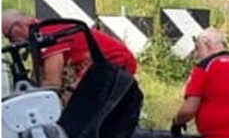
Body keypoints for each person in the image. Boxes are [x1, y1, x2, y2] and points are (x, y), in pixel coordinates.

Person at [1, 10, 138, 94]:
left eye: (9, 35)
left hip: (114, 60)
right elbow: (38, 76)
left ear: (19, 25)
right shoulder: (36, 36)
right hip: (97, 63)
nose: (11, 41)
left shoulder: (44, 33)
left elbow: (52, 82)